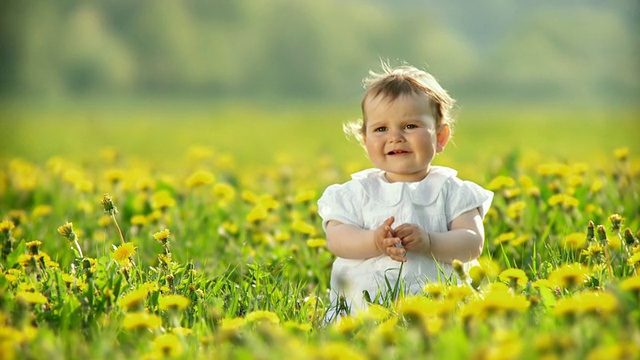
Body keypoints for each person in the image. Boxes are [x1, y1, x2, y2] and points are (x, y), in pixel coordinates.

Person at [317, 62, 493, 321]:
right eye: (381, 129)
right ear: (365, 141)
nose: (395, 137)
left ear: (441, 137)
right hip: (363, 312)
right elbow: (337, 239)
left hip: (441, 310)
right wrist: (374, 241)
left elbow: (472, 242)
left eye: (410, 126)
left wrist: (431, 242)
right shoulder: (355, 193)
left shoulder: (452, 190)